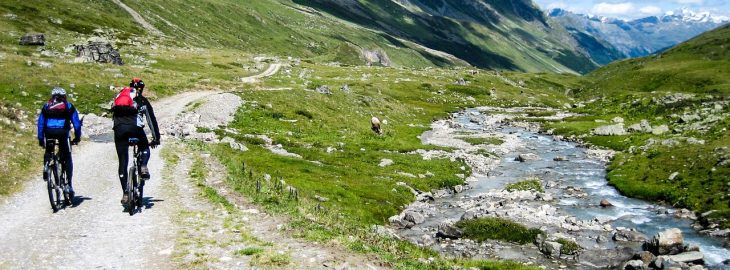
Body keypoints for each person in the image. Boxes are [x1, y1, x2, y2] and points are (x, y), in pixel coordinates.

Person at [112, 78, 160, 204]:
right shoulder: (142, 101)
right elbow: (151, 120)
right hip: (135, 129)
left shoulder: (119, 99)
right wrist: (156, 138)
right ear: (142, 89)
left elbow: (113, 115)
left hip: (119, 130)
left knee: (122, 161)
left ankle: (126, 193)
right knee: (144, 147)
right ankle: (143, 165)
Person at [37, 87, 82, 196]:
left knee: (49, 150)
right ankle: (69, 184)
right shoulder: (68, 106)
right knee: (67, 157)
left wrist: (40, 139)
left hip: (49, 132)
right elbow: (76, 124)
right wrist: (77, 137)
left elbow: (40, 123)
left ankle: (46, 165)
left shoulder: (46, 106)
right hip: (63, 133)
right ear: (64, 96)